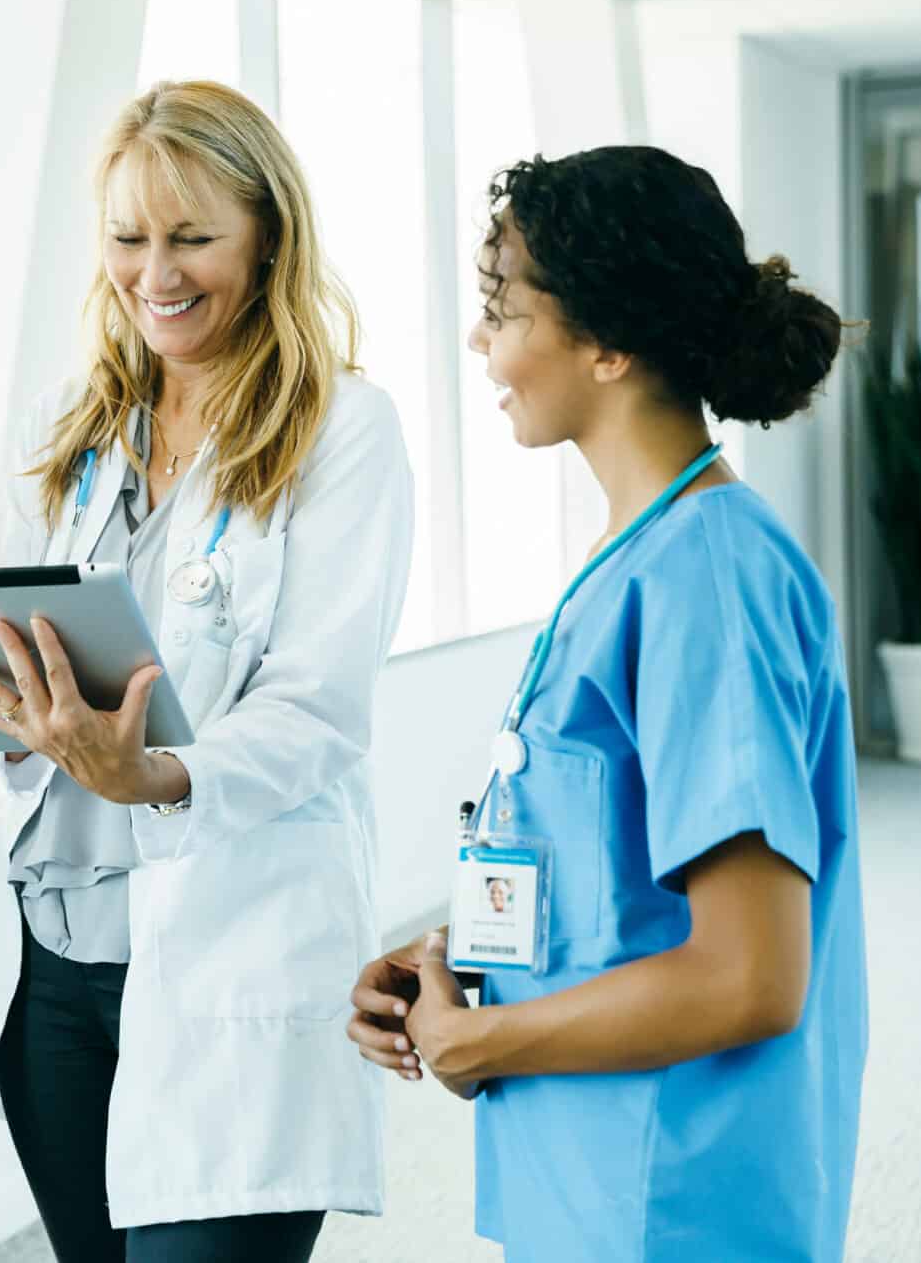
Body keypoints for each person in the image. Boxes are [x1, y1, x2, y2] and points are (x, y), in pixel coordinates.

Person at [0, 81, 415, 1263]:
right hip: (52, 964)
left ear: (268, 235)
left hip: (226, 949)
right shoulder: (72, 424)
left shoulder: (342, 428)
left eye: (192, 236)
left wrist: (156, 776)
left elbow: (319, 709)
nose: (155, 273)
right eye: (128, 238)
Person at [346, 145, 867, 1261]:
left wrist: (483, 1042)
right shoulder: (638, 557)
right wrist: (454, 969)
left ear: (607, 339)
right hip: (586, 1184)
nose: (481, 341)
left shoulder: (706, 575)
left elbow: (747, 976)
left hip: (670, 1202)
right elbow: (615, 891)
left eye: (503, 308)